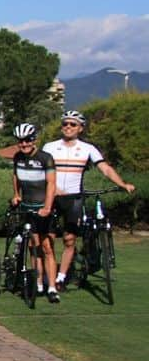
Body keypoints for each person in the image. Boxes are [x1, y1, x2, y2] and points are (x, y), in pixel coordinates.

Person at [42, 110, 136, 291]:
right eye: (65, 124)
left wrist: (122, 184)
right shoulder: (49, 147)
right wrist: (52, 189)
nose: (68, 127)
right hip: (52, 197)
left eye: (73, 124)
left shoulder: (87, 149)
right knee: (49, 238)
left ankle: (61, 277)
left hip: (74, 198)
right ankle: (49, 276)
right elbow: (41, 171)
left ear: (80, 128)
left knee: (70, 239)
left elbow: (105, 168)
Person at [11, 123, 60, 303]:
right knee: (34, 246)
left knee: (47, 247)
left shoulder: (45, 158)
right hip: (27, 207)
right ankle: (38, 283)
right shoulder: (17, 157)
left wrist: (47, 207)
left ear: (34, 140)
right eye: (20, 141)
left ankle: (52, 287)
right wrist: (16, 195)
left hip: (43, 207)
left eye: (27, 140)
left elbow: (52, 185)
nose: (24, 144)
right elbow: (15, 176)